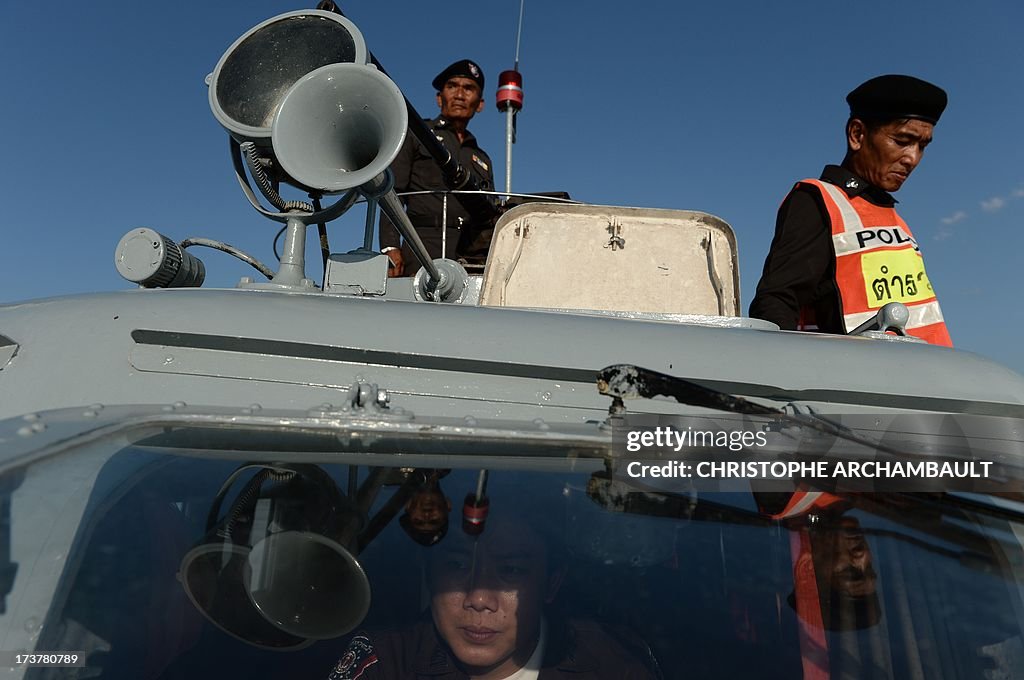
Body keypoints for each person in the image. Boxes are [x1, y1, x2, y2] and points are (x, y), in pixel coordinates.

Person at [326, 513, 660, 679]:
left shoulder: (612, 664)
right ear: (429, 574)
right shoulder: (386, 661)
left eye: (511, 571)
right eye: (457, 565)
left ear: (551, 584)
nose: (480, 598)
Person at [749, 74, 953, 346]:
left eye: (922, 146)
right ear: (857, 134)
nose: (912, 158)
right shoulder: (817, 201)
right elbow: (776, 303)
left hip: (927, 379)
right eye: (903, 140)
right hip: (865, 381)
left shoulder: (893, 218)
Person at [380, 59, 496, 277]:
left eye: (469, 88)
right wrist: (390, 245)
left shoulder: (483, 159)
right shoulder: (419, 134)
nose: (460, 95)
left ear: (480, 104)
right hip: (422, 248)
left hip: (471, 257)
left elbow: (489, 216)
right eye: (452, 86)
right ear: (439, 98)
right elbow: (393, 192)